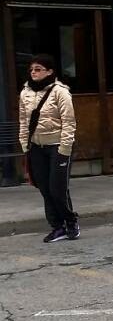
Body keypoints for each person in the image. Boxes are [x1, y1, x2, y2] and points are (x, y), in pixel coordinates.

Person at [18, 54, 79, 243]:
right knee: (44, 188)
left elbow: (69, 122)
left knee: (57, 188)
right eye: (31, 69)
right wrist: (25, 145)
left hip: (57, 146)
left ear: (49, 71)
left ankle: (71, 222)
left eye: (38, 69)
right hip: (36, 147)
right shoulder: (25, 93)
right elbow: (23, 122)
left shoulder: (60, 92)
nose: (33, 72)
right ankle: (57, 227)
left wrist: (64, 148)